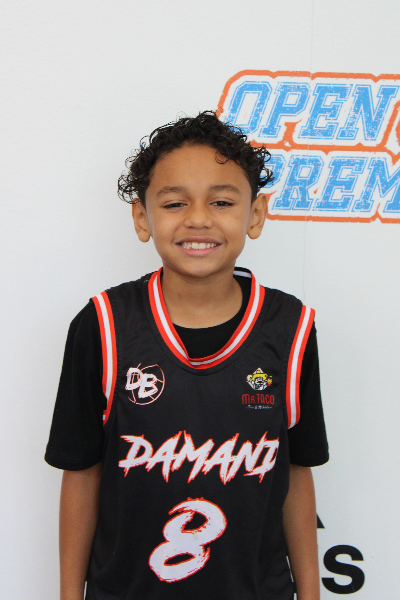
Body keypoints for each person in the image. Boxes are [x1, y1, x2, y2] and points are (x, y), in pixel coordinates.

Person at [45, 111, 329, 600]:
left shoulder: (290, 327)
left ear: (255, 215)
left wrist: (311, 593)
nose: (198, 218)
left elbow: (295, 473)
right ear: (142, 217)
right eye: (175, 203)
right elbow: (82, 473)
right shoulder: (104, 325)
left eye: (222, 201)